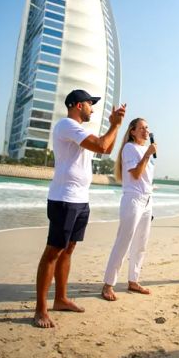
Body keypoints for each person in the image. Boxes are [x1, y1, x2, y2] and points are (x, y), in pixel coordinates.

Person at [33, 90, 126, 328]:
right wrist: (114, 125)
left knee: (68, 250)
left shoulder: (79, 130)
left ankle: (61, 299)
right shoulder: (66, 125)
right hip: (64, 199)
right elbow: (102, 146)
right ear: (76, 105)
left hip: (80, 200)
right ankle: (40, 309)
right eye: (89, 104)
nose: (92, 108)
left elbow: (106, 146)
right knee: (53, 252)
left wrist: (114, 126)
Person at [101, 118, 157, 301]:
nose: (145, 131)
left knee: (141, 243)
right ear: (132, 131)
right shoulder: (130, 148)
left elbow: (146, 178)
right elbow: (135, 173)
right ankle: (108, 284)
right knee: (123, 242)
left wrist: (148, 153)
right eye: (141, 128)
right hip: (133, 200)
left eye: (147, 128)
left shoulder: (145, 149)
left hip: (147, 200)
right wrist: (148, 154)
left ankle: (133, 280)